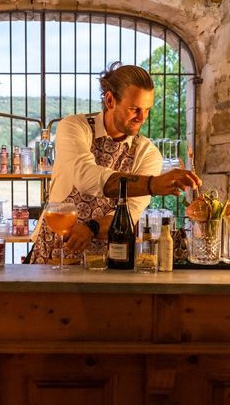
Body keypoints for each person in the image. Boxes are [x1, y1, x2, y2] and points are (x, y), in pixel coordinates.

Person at [30, 61, 201, 265]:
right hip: (54, 247)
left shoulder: (148, 153)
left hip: (108, 258)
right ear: (110, 100)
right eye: (134, 109)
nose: (142, 118)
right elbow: (86, 177)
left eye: (147, 110)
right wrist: (151, 184)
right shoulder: (74, 127)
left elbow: (130, 213)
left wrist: (91, 227)